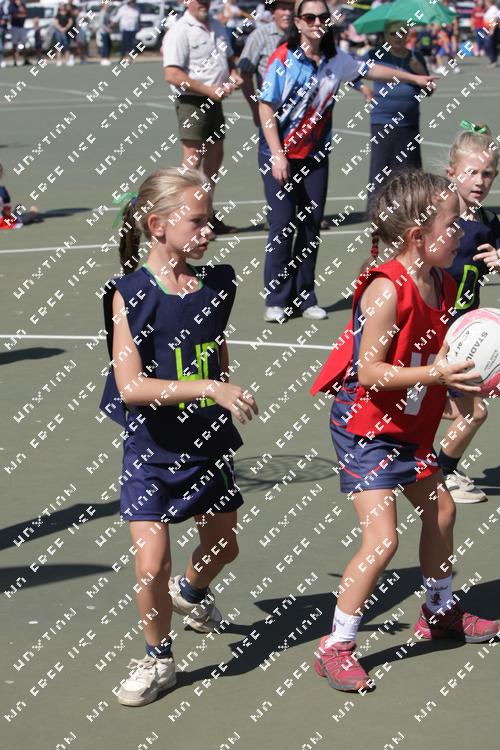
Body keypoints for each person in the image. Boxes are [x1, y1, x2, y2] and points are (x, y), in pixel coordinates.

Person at [310, 168, 500, 693]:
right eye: (452, 224)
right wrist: (436, 376)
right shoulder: (385, 289)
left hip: (407, 421)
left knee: (442, 511)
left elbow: (436, 356)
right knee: (383, 539)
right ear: (418, 235)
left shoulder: (443, 282)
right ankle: (336, 646)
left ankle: (438, 611)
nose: (461, 231)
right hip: (366, 427)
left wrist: (465, 386)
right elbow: (369, 372)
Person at [98, 167, 258, 707]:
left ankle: (191, 592)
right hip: (151, 450)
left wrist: (225, 388)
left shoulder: (218, 284)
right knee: (151, 565)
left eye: (210, 219)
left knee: (224, 546)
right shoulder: (130, 295)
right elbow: (131, 386)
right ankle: (158, 658)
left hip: (207, 444)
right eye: (197, 221)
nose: (208, 230)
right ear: (158, 225)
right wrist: (210, 388)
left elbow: (214, 347)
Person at [257, 0, 438, 323]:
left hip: (315, 156)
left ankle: (304, 296)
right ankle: (277, 298)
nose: (316, 22)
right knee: (283, 225)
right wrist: (278, 154)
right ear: (298, 22)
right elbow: (266, 107)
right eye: (309, 17)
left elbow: (373, 70)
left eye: (322, 17)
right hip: (279, 154)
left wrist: (413, 78)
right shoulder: (283, 58)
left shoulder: (335, 59)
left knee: (310, 226)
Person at [437, 121, 500, 503]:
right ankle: (440, 473)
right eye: (471, 172)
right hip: (432, 333)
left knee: (471, 412)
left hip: (464, 338)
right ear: (452, 173)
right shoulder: (439, 222)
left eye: (488, 174)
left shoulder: (490, 224)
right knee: (472, 413)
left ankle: (437, 470)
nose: (480, 181)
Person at [163, 0, 244, 236]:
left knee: (215, 156)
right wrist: (208, 90)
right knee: (192, 159)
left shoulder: (217, 26)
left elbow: (228, 60)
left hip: (214, 100)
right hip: (192, 100)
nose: (204, 3)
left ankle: (205, 213)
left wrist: (234, 75)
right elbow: (172, 74)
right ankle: (184, 217)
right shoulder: (180, 30)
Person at [362, 20, 432, 215]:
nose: (397, 37)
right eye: (392, 33)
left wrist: (419, 70)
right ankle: (377, 210)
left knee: (409, 169)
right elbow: (352, 73)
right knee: (381, 168)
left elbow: (429, 90)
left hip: (409, 122)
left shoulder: (416, 56)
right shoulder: (374, 55)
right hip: (382, 121)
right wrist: (364, 89)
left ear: (408, 34)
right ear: (385, 36)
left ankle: (410, 209)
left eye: (402, 32)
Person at [239, 0, 293, 127]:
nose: (287, 13)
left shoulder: (302, 36)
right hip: (270, 110)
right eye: (283, 8)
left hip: (299, 111)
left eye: (291, 9)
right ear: (273, 11)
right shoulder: (259, 36)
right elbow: (245, 77)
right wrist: (256, 109)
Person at [9, 0, 30, 66]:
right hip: (15, 27)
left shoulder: (23, 4)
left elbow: (26, 13)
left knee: (24, 43)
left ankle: (26, 59)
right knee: (14, 44)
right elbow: (13, 15)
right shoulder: (12, 5)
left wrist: (21, 13)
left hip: (22, 27)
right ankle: (15, 61)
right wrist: (20, 13)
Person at [483, 0, 500, 67]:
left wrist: (492, 30)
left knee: (490, 45)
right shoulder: (490, 9)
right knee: (491, 45)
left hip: (493, 30)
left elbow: (495, 20)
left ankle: (493, 61)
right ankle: (493, 61)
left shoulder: (493, 9)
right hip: (488, 29)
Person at [0, 2, 8, 67]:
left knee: (2, 46)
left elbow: (6, 20)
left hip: (3, 30)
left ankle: (2, 60)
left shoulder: (3, 11)